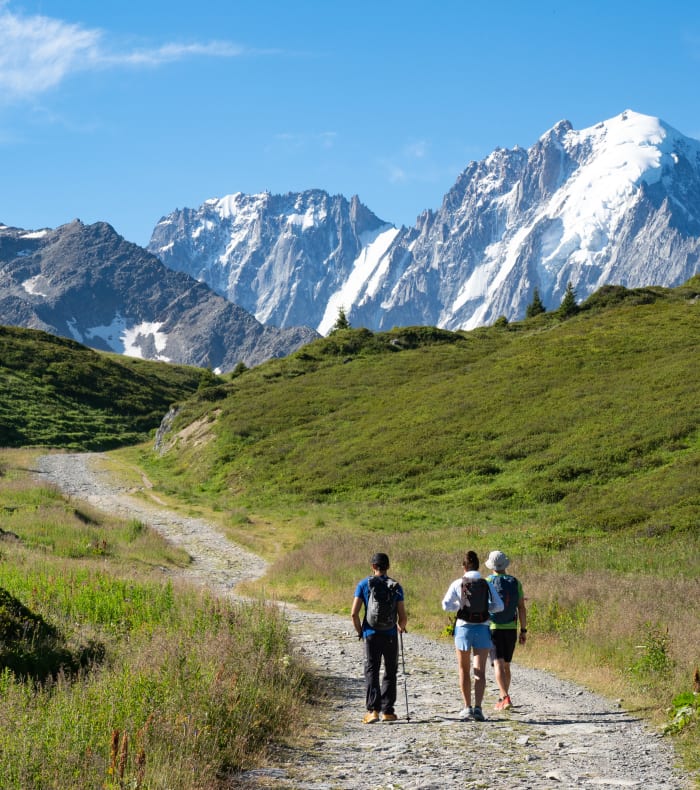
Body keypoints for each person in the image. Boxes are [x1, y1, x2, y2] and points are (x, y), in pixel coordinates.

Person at [441, 550, 503, 722]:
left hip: (463, 628)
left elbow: (446, 605)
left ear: (464, 567)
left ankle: (466, 707)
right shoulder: (485, 583)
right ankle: (478, 708)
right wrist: (485, 609)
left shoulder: (458, 583)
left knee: (464, 669)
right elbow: (499, 606)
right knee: (480, 671)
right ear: (478, 566)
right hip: (482, 628)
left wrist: (459, 606)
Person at [351, 552, 407, 723]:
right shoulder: (396, 587)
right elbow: (403, 617)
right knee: (390, 671)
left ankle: (373, 711)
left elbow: (354, 613)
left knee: (372, 670)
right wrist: (399, 627)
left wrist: (361, 631)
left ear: (373, 566)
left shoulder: (363, 584)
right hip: (390, 634)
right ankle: (387, 711)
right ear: (388, 567)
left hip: (371, 633)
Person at [485, 549, 527, 711]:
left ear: (491, 566)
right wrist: (523, 630)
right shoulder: (515, 582)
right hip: (511, 628)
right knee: (506, 665)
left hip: (493, 627)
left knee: (497, 664)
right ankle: (504, 696)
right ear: (505, 565)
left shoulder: (487, 581)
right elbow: (521, 608)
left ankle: (504, 697)